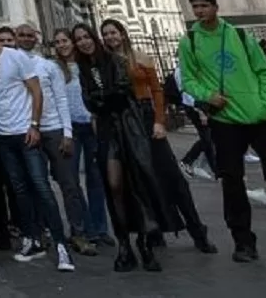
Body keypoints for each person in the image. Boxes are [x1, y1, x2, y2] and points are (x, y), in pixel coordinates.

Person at [178, 0, 266, 262]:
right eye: (195, 7)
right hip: (225, 121)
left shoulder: (240, 36)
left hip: (261, 118)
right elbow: (188, 80)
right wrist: (208, 96)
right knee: (231, 181)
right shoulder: (190, 42)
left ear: (216, 7)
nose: (200, 11)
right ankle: (243, 241)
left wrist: (264, 103)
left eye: (205, 5)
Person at [101, 18, 215, 253]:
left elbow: (157, 91)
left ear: (122, 34)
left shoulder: (141, 58)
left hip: (146, 117)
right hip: (126, 122)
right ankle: (155, 229)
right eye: (106, 34)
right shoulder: (106, 63)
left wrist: (159, 121)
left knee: (173, 177)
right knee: (142, 179)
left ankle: (197, 230)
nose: (110, 37)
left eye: (113, 32)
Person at [0, 16, 75, 272]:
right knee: (19, 190)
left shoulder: (17, 57)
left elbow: (36, 91)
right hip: (2, 136)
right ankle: (31, 239)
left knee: (40, 186)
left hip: (25, 133)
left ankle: (61, 244)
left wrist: (35, 125)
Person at [72, 23, 167, 273]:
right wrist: (102, 100)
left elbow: (122, 91)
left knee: (136, 183)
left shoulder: (114, 59)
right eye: (78, 39)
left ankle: (144, 243)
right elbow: (89, 100)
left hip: (127, 125)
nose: (83, 42)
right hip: (105, 130)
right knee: (114, 185)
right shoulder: (83, 68)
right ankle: (124, 243)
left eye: (86, 37)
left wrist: (103, 98)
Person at [16, 23, 97, 257]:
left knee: (69, 184)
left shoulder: (48, 66)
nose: (26, 38)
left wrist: (67, 133)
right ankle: (45, 231)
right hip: (30, 130)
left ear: (37, 38)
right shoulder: (11, 63)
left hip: (54, 130)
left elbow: (61, 99)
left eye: (30, 35)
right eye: (21, 35)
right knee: (37, 185)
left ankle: (79, 233)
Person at [51, 29, 114, 247]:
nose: (62, 45)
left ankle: (100, 228)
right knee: (71, 181)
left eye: (65, 41)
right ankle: (83, 227)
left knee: (96, 179)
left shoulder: (87, 66)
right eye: (57, 42)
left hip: (92, 126)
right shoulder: (54, 68)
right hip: (70, 129)